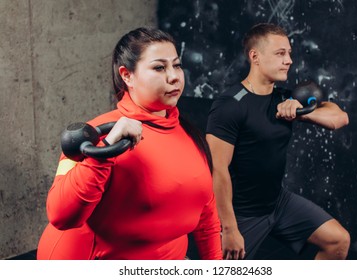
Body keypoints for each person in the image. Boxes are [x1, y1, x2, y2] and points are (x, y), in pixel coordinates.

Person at [37, 27, 222, 260]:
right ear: (127, 75)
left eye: (176, 65)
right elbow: (61, 215)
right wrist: (105, 150)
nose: (174, 76)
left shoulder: (188, 133)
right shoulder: (96, 135)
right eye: (159, 67)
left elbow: (207, 216)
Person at [206, 23, 350, 260]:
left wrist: (302, 112)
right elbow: (216, 170)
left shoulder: (285, 98)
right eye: (280, 53)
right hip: (243, 213)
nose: (289, 60)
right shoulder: (230, 104)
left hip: (278, 202)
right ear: (255, 57)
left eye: (289, 53)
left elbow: (339, 117)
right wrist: (230, 229)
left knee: (338, 240)